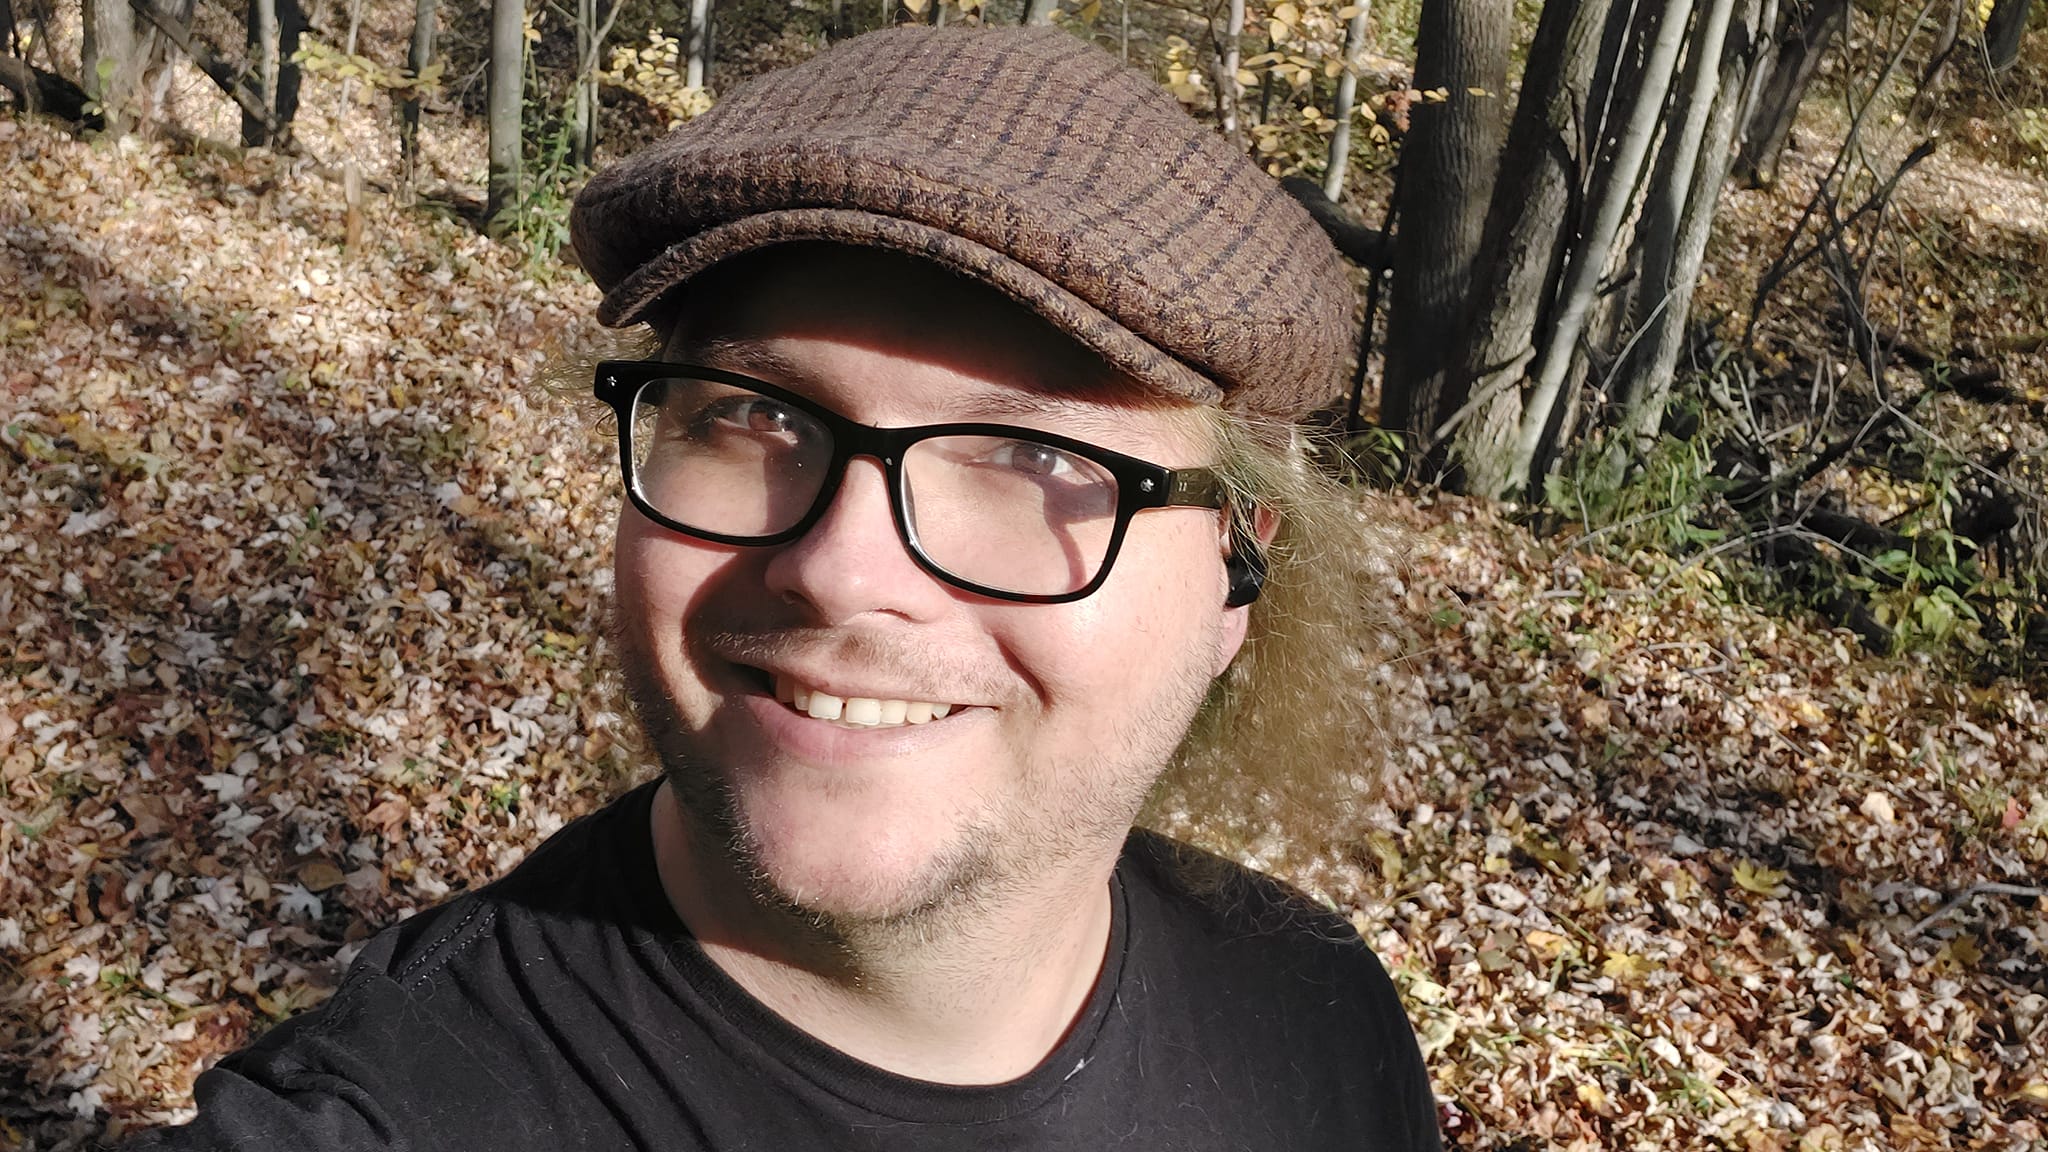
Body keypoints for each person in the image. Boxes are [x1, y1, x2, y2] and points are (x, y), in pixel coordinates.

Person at [120, 25, 1439, 1151]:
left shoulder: (1315, 1014)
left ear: (1236, 572)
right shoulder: (400, 1110)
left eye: (1035, 454)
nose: (840, 569)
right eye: (753, 418)